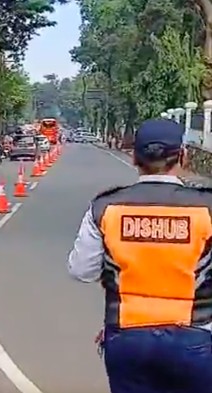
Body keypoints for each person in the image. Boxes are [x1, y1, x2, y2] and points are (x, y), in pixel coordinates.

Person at [67, 118, 212, 393]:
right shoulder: (206, 207)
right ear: (183, 155)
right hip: (196, 338)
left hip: (126, 337)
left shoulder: (105, 206)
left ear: (134, 157)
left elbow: (81, 270)